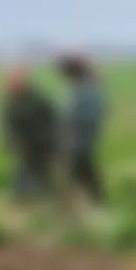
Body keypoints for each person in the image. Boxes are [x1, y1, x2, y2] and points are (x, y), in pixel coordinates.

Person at [0, 65, 59, 202]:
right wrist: (11, 144)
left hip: (44, 148)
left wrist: (52, 143)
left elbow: (53, 122)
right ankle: (22, 203)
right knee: (25, 179)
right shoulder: (10, 104)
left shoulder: (39, 100)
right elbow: (9, 128)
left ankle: (41, 203)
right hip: (25, 150)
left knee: (42, 178)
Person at [57, 52, 106, 206]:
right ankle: (96, 205)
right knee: (85, 174)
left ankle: (91, 207)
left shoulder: (82, 92)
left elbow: (72, 117)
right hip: (83, 142)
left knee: (80, 175)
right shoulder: (88, 89)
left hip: (78, 142)